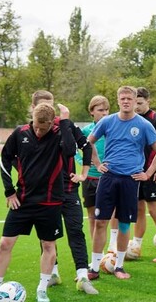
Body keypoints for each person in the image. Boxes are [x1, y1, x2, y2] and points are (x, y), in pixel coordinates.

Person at [0, 103, 77, 302]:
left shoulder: (59, 134)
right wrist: (9, 191)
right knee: (5, 243)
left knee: (48, 245)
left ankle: (42, 289)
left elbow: (70, 151)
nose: (38, 131)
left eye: (43, 128)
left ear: (52, 123)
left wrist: (64, 121)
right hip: (23, 201)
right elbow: (5, 158)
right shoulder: (20, 133)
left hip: (51, 202)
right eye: (36, 126)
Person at [86, 85, 156, 281]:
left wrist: (148, 173)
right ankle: (94, 267)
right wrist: (97, 163)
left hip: (130, 180)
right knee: (100, 222)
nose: (126, 101)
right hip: (109, 178)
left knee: (123, 224)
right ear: (118, 100)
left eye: (129, 98)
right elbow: (89, 142)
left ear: (134, 100)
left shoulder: (144, 125)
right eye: (122, 98)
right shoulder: (107, 121)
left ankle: (119, 266)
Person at [29, 91, 98, 295]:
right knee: (47, 237)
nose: (49, 110)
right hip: (44, 192)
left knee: (75, 231)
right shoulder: (30, 131)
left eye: (51, 105)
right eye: (44, 106)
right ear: (34, 108)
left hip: (68, 189)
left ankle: (83, 276)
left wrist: (84, 174)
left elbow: (85, 147)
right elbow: (14, 157)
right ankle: (53, 274)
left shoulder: (65, 125)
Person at [125, 87, 156, 263]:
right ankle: (136, 245)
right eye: (135, 103)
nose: (136, 106)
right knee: (139, 209)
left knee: (154, 211)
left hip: (151, 173)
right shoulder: (132, 119)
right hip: (136, 173)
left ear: (148, 102)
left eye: (140, 103)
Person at [78, 95, 110, 247]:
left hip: (109, 177)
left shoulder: (113, 128)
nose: (104, 113)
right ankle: (97, 251)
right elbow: (74, 149)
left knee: (111, 215)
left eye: (106, 110)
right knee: (92, 217)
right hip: (90, 178)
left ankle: (112, 248)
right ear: (91, 111)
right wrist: (83, 162)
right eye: (100, 110)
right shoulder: (86, 131)